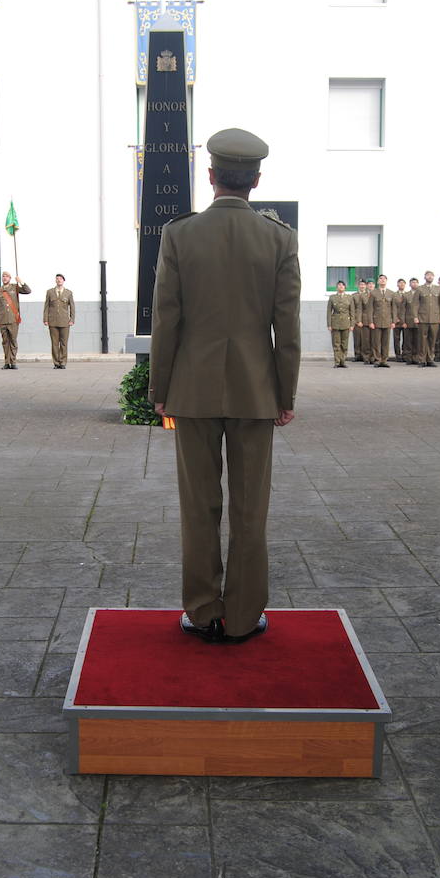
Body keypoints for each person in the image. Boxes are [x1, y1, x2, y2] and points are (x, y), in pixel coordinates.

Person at [148, 127, 299, 644]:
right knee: (250, 509)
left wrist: (159, 388)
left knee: (198, 506)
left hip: (192, 390)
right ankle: (241, 617)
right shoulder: (279, 238)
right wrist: (285, 394)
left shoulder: (180, 234)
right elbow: (288, 325)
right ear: (256, 180)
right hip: (257, 392)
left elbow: (166, 318)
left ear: (210, 176)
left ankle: (201, 607)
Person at [0, 271, 31, 369]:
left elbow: (28, 291)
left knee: (13, 341)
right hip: (2, 320)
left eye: (7, 276)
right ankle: (7, 362)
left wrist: (21, 282)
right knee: (5, 342)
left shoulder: (15, 287)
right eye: (3, 276)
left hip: (13, 319)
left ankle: (13, 361)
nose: (5, 278)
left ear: (10, 278)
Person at [44, 273, 75, 368]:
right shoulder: (50, 292)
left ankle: (63, 362)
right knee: (54, 343)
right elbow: (46, 306)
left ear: (63, 281)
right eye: (57, 279)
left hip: (65, 322)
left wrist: (72, 319)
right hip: (52, 321)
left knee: (64, 343)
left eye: (60, 279)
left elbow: (72, 307)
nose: (59, 280)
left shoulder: (68, 293)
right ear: (55, 280)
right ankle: (56, 363)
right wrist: (45, 319)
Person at [327, 279, 354, 367]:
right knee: (336, 343)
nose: (341, 286)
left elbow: (352, 312)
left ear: (345, 287)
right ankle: (337, 362)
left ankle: (343, 361)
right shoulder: (332, 297)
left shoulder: (349, 298)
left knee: (344, 344)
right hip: (335, 323)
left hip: (346, 322)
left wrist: (352, 324)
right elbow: (329, 312)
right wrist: (329, 324)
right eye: (339, 285)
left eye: (342, 285)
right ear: (336, 287)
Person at [370, 274, 395, 368]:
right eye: (380, 279)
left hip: (387, 321)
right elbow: (370, 308)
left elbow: (393, 308)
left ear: (386, 281)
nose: (382, 280)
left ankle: (384, 360)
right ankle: (377, 360)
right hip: (376, 321)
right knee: (376, 342)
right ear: (378, 281)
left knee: (385, 342)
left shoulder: (391, 293)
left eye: (384, 279)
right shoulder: (373, 293)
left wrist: (393, 321)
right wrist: (371, 321)